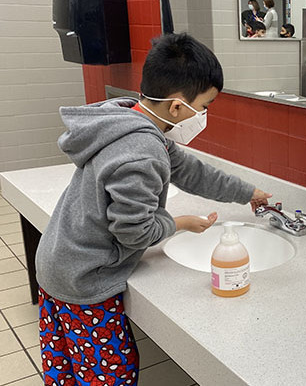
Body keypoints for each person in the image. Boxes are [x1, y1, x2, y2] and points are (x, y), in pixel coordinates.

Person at [36, 33, 273, 384]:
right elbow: (133, 232)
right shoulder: (143, 149)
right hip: (85, 282)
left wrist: (247, 191)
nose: (205, 115)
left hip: (57, 263)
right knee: (110, 376)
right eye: (205, 106)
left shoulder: (127, 119)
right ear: (178, 107)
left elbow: (191, 172)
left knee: (67, 371)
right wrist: (179, 223)